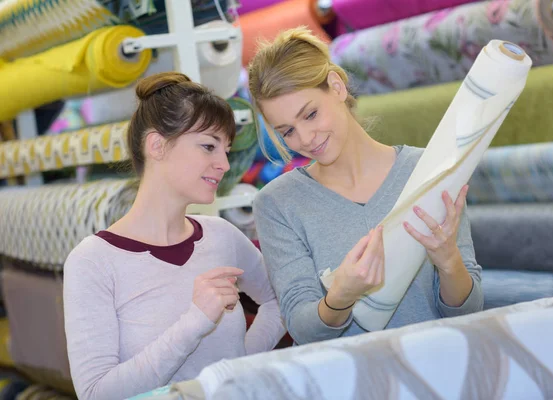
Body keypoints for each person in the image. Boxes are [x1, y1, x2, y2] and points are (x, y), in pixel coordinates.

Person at [247, 27, 484, 345]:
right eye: (287, 131)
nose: (304, 139)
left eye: (311, 114)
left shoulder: (429, 169)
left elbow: (470, 312)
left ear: (336, 86)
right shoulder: (277, 204)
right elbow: (302, 328)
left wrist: (448, 259)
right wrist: (340, 297)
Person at [63, 72, 286, 400]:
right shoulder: (93, 261)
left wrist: (235, 369)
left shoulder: (221, 236)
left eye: (226, 149)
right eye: (209, 146)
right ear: (157, 145)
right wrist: (195, 321)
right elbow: (96, 394)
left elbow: (280, 299)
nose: (224, 164)